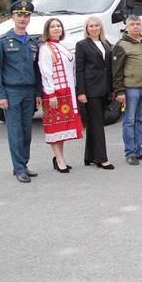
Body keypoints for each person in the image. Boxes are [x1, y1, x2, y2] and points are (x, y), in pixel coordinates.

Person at [0, 0, 43, 183]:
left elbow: (36, 70)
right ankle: (19, 167)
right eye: (19, 15)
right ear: (13, 17)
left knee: (26, 131)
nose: (23, 18)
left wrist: (38, 93)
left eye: (26, 15)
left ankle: (23, 164)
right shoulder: (3, 41)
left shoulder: (32, 42)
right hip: (12, 92)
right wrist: (0, 96)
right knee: (15, 131)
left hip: (29, 92)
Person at [38, 17, 83, 173]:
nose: (56, 29)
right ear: (47, 30)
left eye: (58, 26)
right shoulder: (46, 49)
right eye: (53, 27)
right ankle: (59, 159)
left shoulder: (62, 47)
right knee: (55, 128)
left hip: (68, 91)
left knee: (62, 128)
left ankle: (60, 158)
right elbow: (46, 72)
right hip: (56, 93)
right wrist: (51, 94)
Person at [112, 15, 142, 166]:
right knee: (129, 121)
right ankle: (130, 153)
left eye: (138, 24)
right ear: (127, 27)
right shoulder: (121, 45)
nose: (136, 27)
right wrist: (119, 91)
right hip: (130, 89)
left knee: (140, 120)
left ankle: (139, 150)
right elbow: (116, 71)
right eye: (132, 24)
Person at [75, 17, 114, 170]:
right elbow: (79, 70)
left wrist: (111, 89)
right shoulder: (82, 45)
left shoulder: (106, 44)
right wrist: (81, 92)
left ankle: (89, 156)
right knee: (98, 124)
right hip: (91, 90)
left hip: (104, 88)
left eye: (96, 25)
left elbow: (108, 68)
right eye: (91, 26)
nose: (94, 28)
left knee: (93, 123)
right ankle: (102, 159)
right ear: (86, 28)